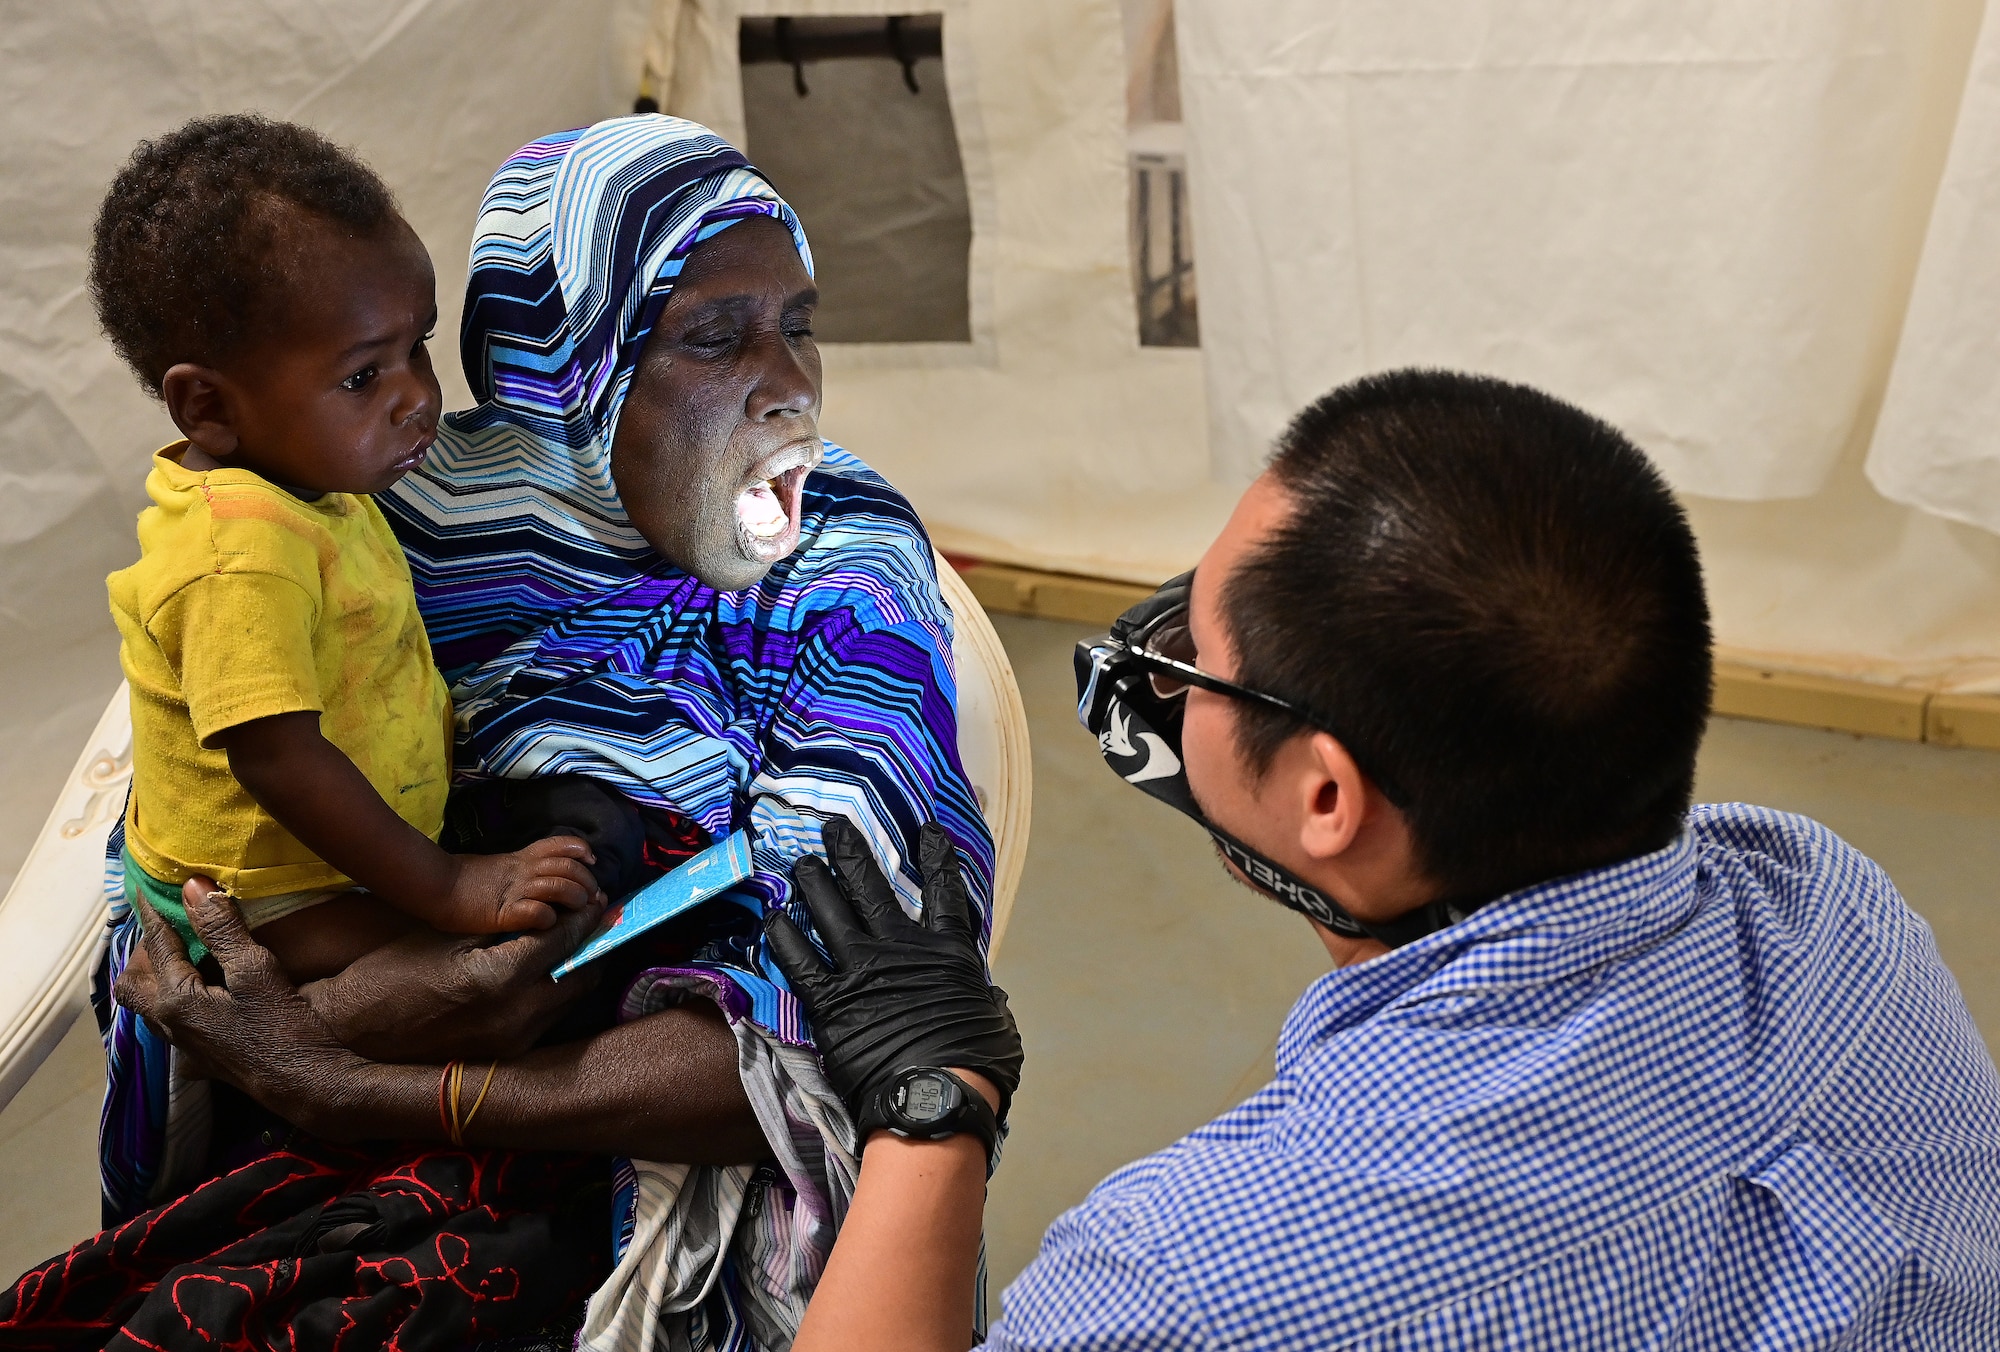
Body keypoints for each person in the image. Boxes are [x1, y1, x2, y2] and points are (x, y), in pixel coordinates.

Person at [2, 115, 995, 1352]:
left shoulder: (840, 571)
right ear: (557, 359)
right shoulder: (374, 514)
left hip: (633, 1194)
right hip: (301, 1134)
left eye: (797, 322)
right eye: (711, 335)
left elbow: (864, 1010)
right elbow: (199, 869)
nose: (790, 381)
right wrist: (350, 1019)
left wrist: (364, 1076)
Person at [772, 371, 2000, 1349]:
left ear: (1323, 796)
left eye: (1192, 652)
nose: (1150, 661)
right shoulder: (1826, 900)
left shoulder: (1197, 1272)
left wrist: (931, 1110)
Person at [94, 114, 605, 985]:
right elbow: (280, 760)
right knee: (496, 976)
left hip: (344, 852)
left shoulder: (309, 479)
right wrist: (447, 887)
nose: (415, 398)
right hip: (265, 899)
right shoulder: (236, 553)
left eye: (419, 349)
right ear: (209, 409)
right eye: (364, 376)